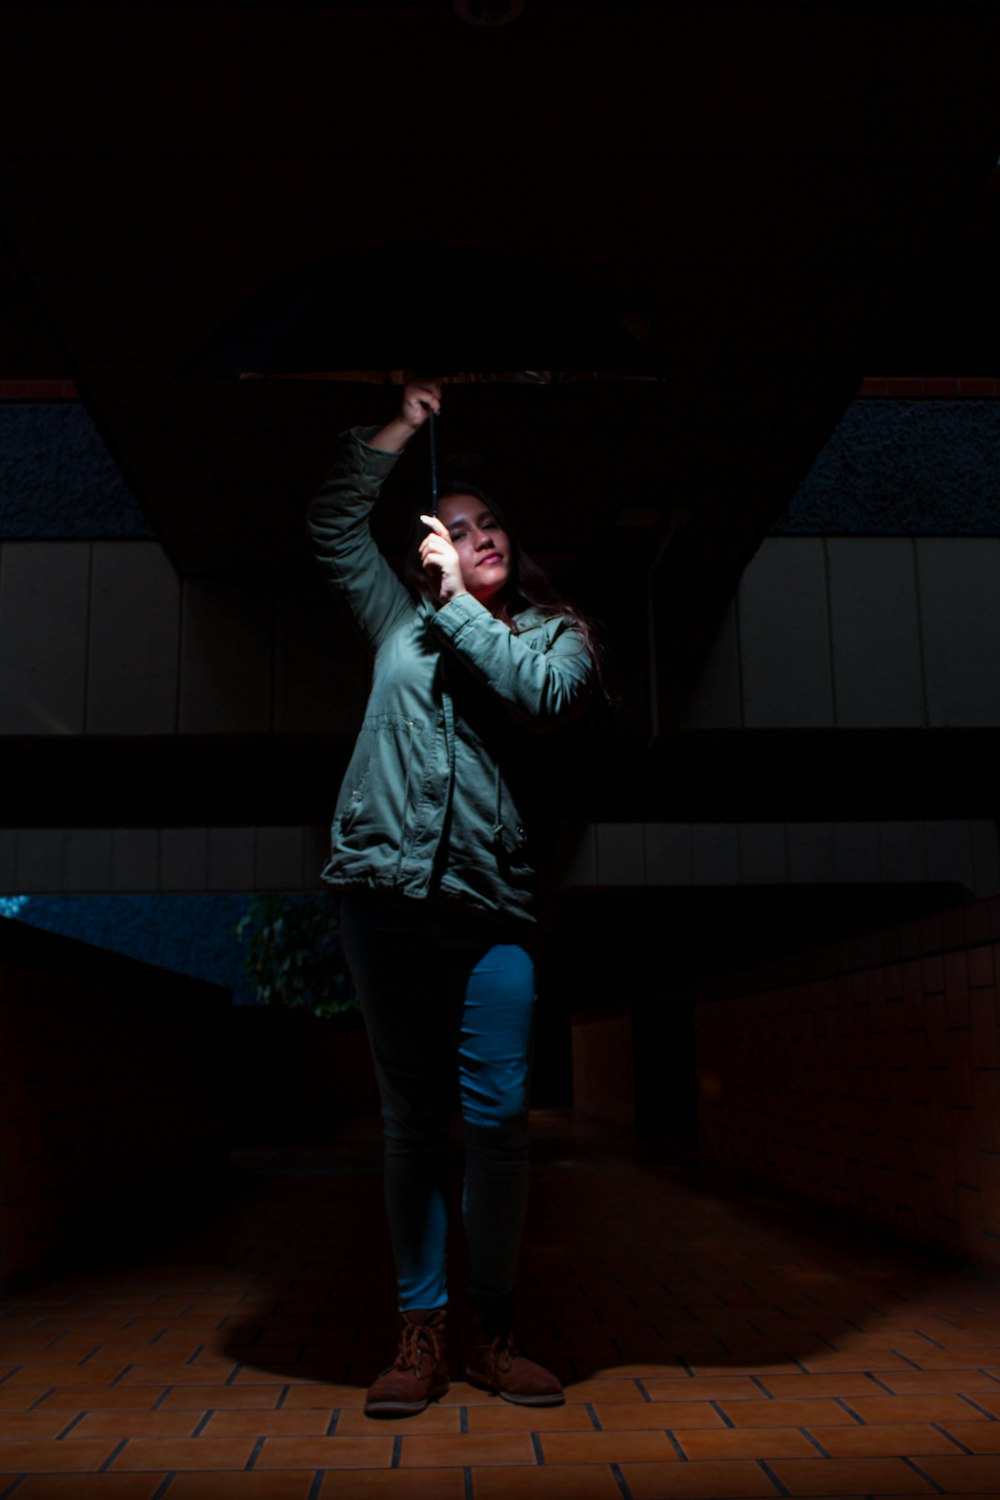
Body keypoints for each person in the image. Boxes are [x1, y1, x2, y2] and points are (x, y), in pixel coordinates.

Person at [306, 377, 598, 1418]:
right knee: (411, 1123)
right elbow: (330, 521)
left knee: (499, 1121)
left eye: (487, 524)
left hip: (492, 910)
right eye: (453, 524)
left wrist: (455, 607)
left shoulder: (552, 637)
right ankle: (420, 1331)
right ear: (428, 542)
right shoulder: (398, 621)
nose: (474, 535)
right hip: (383, 897)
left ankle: (495, 1325)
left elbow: (540, 698)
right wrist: (400, 428)